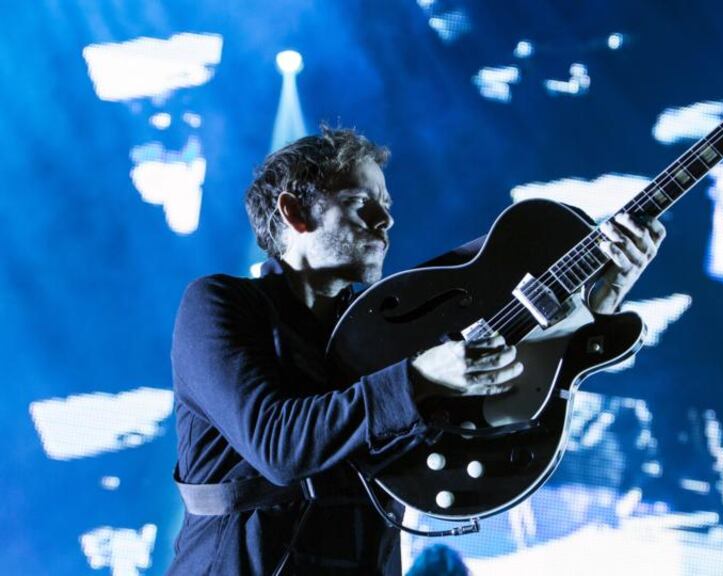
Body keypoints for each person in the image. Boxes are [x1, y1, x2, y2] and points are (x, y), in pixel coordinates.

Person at [167, 127, 665, 575]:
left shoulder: (377, 328)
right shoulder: (219, 303)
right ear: (294, 213)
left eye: (386, 204)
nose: (385, 219)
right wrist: (419, 378)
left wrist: (593, 304)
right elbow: (279, 445)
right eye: (360, 202)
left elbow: (478, 418)